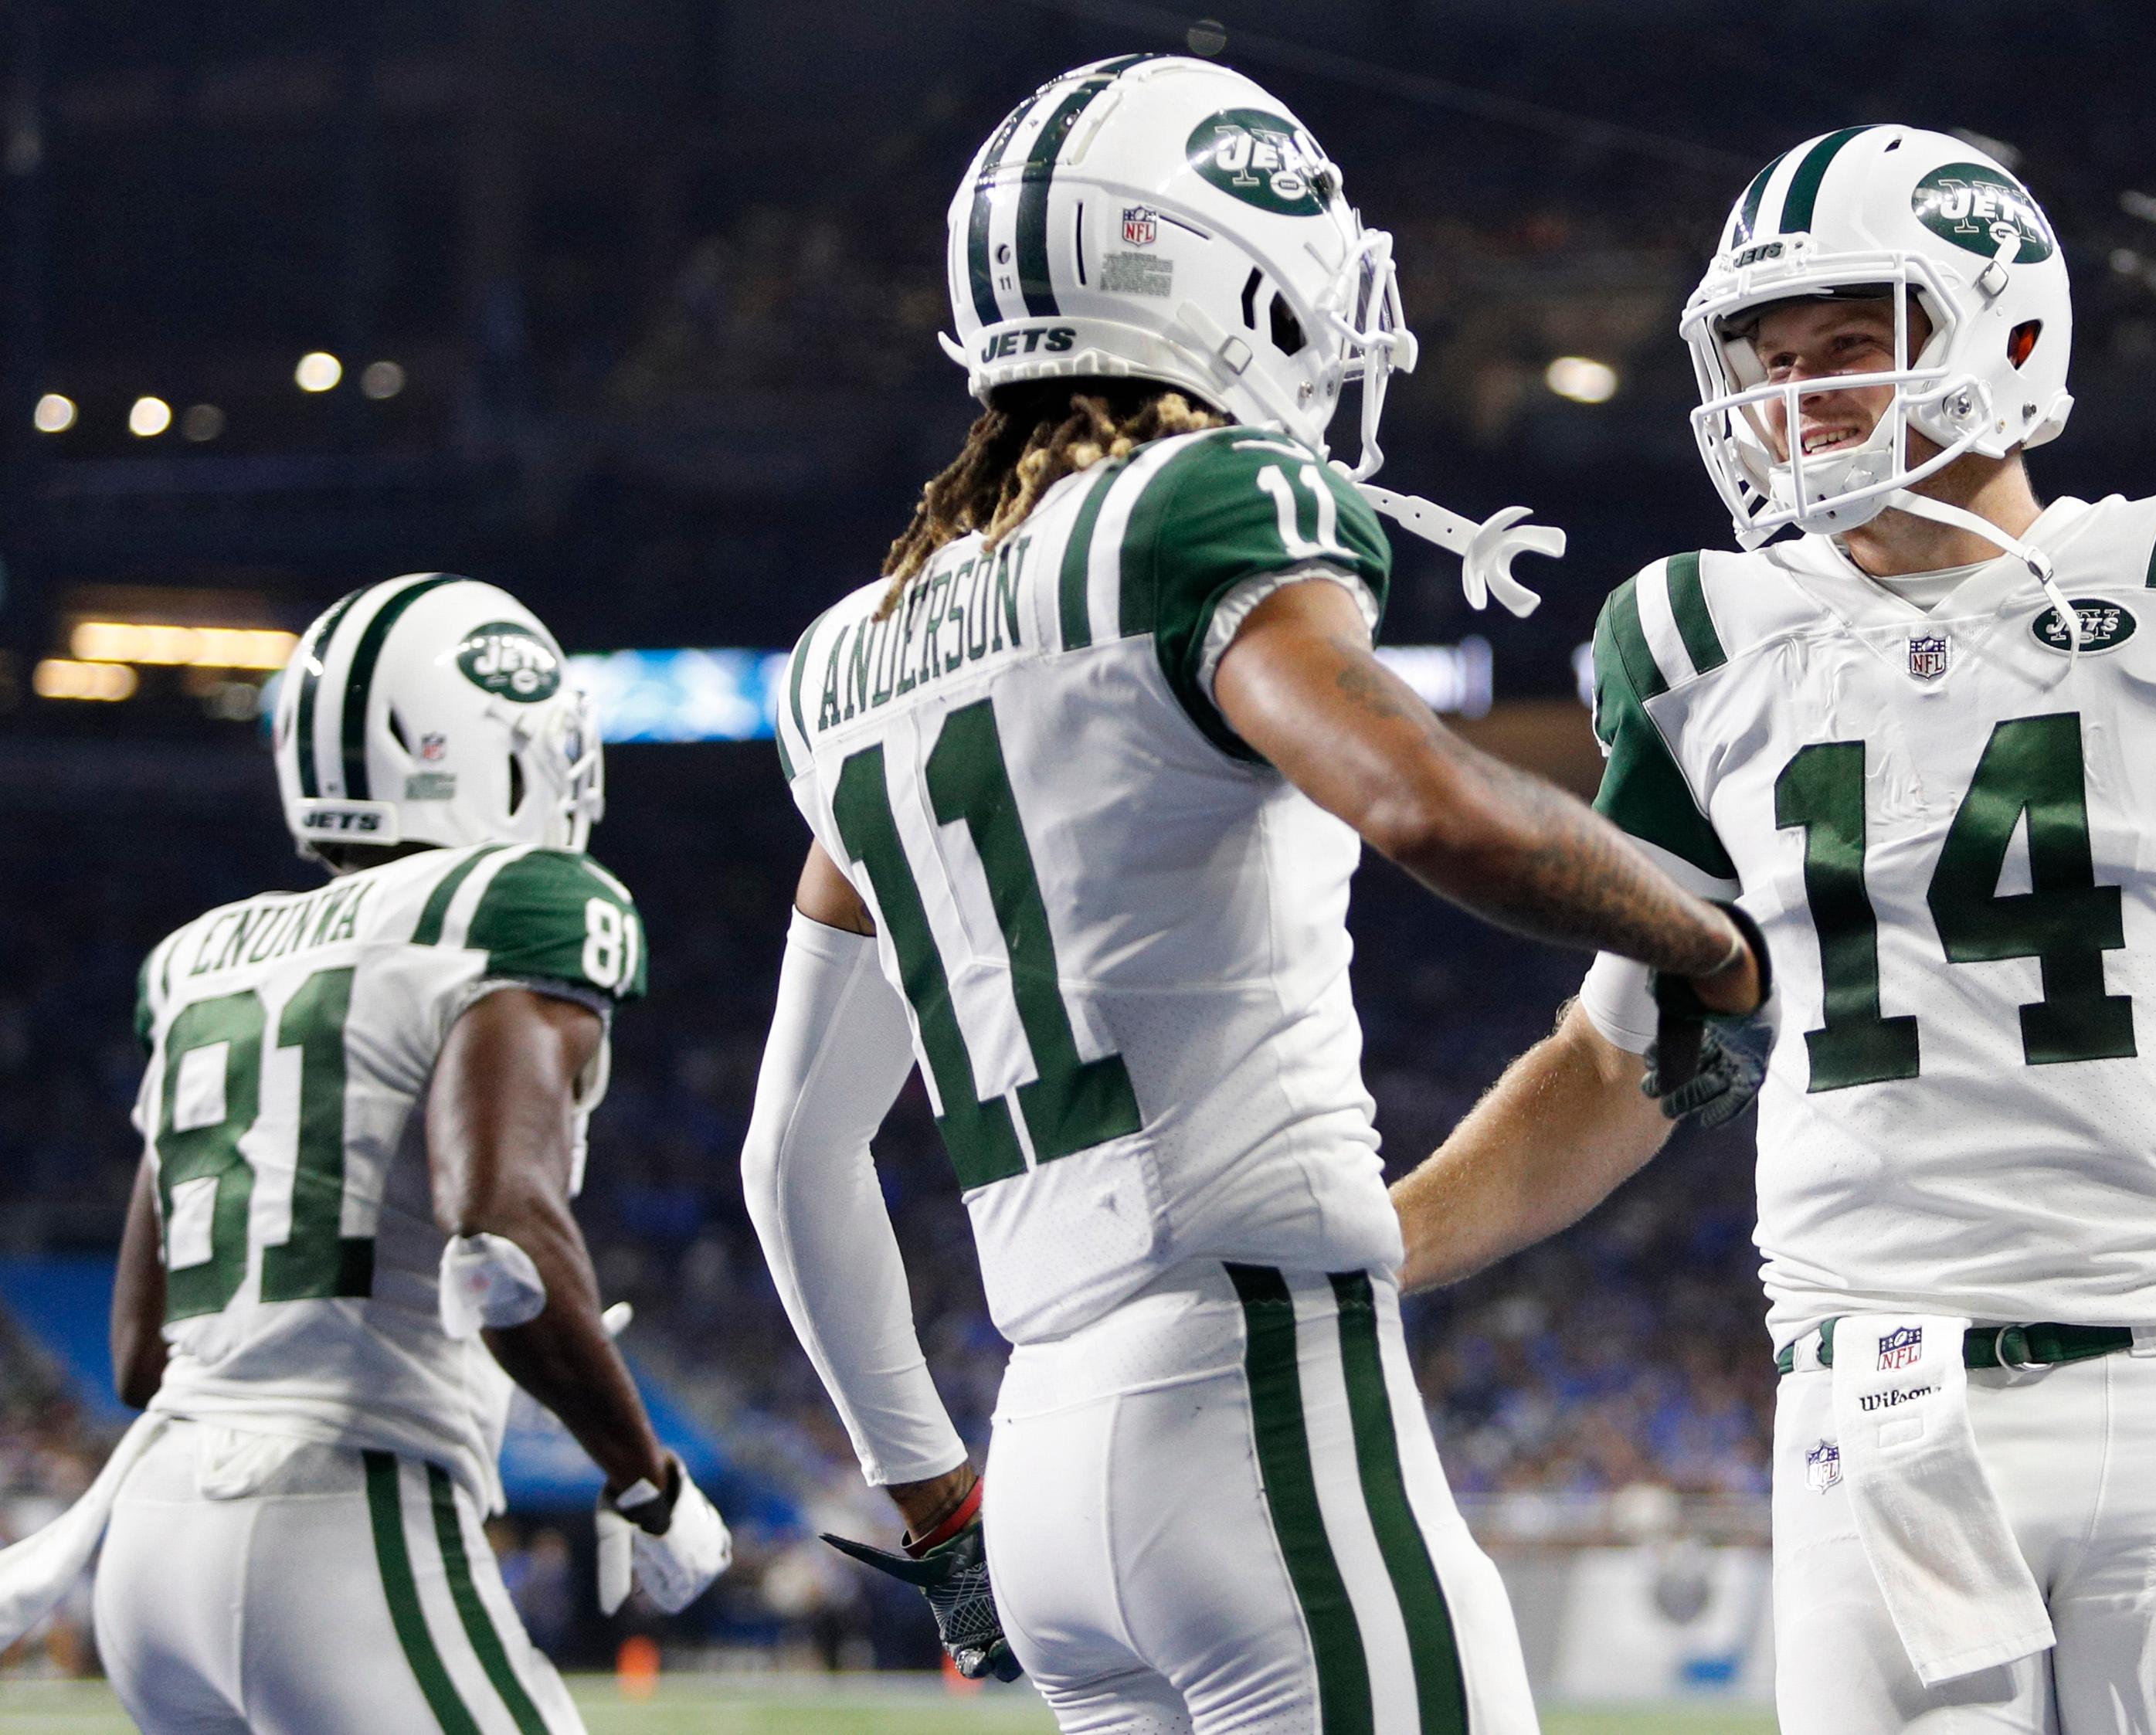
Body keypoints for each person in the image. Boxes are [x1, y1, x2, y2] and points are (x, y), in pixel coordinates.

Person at [1390, 125, 2156, 1733]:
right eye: (1767, 357)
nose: (1797, 396)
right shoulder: (1700, 639)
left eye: (1848, 345)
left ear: (2002, 336)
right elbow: (1615, 1060)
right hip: (1874, 1399)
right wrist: (1379, 1253)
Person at [739, 54, 1764, 1735]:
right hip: (1252, 1396)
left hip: (1040, 1443)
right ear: (1213, 270)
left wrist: (934, 1508)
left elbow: (792, 1156)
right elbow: (1419, 802)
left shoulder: (848, 657)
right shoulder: (1206, 506)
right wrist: (1702, 940)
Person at [28, 576, 729, 1733]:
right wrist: (645, 1479)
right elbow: (499, 1233)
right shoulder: (511, 902)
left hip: (151, 1547)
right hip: (338, 1516)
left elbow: (141, 1355)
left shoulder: (200, 957)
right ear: (482, 747)